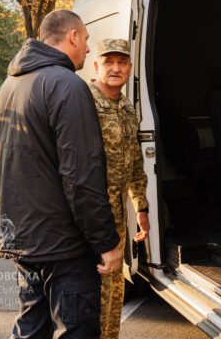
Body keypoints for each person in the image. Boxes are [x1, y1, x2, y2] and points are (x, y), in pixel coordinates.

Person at [0, 10, 121, 339]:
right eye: (87, 40)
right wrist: (107, 242)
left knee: (31, 328)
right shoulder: (68, 86)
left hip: (24, 240)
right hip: (65, 248)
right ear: (73, 36)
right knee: (75, 330)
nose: (88, 49)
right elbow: (82, 176)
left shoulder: (10, 85)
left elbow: (0, 161)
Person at [89, 39, 150, 339]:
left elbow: (135, 163)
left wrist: (142, 209)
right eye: (108, 61)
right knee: (91, 296)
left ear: (129, 67)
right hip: (91, 218)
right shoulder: (84, 103)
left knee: (114, 290)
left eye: (122, 62)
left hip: (118, 219)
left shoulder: (127, 108)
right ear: (96, 66)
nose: (116, 68)